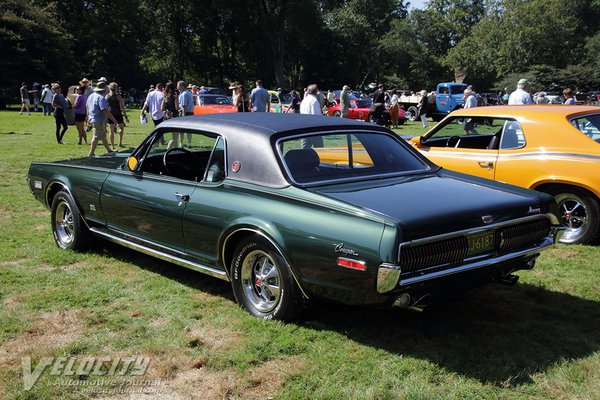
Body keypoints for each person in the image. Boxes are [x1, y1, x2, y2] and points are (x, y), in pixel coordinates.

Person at [86, 81, 117, 157]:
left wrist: (88, 118)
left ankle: (109, 150)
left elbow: (87, 108)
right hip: (98, 119)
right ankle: (91, 153)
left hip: (93, 118)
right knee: (96, 136)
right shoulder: (101, 98)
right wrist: (114, 120)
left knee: (103, 136)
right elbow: (105, 110)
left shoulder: (91, 96)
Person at [106, 82, 128, 149]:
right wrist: (125, 116)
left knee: (111, 130)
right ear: (116, 88)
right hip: (118, 114)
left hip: (110, 114)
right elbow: (122, 108)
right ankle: (120, 143)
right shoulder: (118, 96)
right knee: (121, 128)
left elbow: (106, 106)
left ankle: (112, 146)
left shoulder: (107, 96)